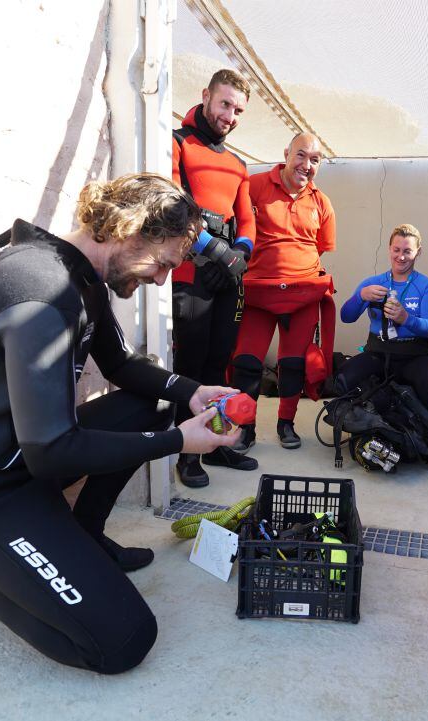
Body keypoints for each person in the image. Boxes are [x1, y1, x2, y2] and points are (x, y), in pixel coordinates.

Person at [0, 174, 242, 674]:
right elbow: (54, 451)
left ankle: (84, 536)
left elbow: (123, 367)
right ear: (130, 230)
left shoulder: (78, 279)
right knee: (122, 641)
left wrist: (192, 392)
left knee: (152, 402)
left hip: (22, 465)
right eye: (162, 264)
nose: (162, 280)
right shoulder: (43, 289)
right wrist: (176, 442)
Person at [171, 68, 258, 488]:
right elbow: (173, 207)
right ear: (205, 96)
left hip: (227, 277)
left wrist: (239, 253)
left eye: (238, 109)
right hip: (191, 271)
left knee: (219, 363)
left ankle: (217, 441)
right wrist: (215, 250)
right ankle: (188, 454)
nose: (230, 115)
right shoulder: (177, 143)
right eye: (225, 104)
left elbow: (247, 219)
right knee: (190, 366)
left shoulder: (238, 163)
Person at [229, 132, 336, 452]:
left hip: (301, 295)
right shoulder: (254, 185)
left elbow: (321, 247)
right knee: (246, 363)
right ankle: (245, 426)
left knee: (293, 365)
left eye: (315, 160)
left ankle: (285, 424)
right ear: (286, 153)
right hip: (257, 294)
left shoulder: (321, 201)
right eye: (301, 155)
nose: (306, 164)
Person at [336, 224, 428, 412]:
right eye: (396, 250)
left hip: (414, 354)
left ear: (418, 252)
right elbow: (346, 317)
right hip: (378, 352)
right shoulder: (372, 283)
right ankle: (369, 418)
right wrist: (361, 296)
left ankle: (417, 421)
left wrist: (406, 318)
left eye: (408, 251)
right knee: (342, 380)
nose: (401, 256)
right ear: (389, 249)